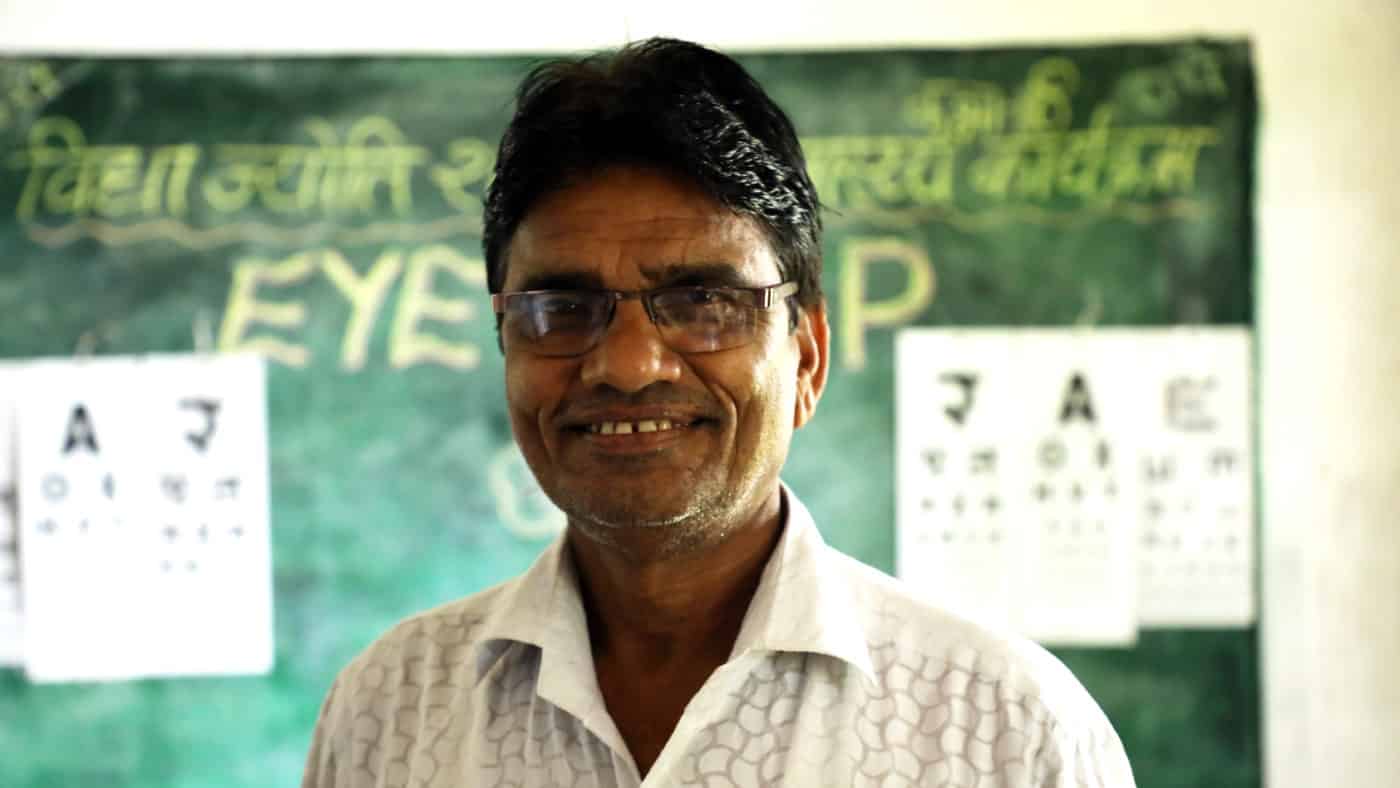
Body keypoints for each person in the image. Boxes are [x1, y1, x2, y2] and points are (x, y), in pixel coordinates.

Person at [302, 37, 1136, 787]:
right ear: (505, 339)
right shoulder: (389, 716)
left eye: (703, 299)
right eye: (563, 305)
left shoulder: (1006, 734)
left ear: (806, 355)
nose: (628, 368)